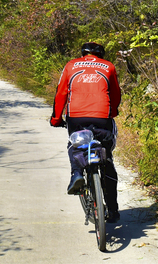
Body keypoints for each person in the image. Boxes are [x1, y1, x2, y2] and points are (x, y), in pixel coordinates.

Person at [49, 41, 121, 223]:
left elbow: (61, 93)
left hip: (76, 117)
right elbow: (115, 94)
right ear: (101, 54)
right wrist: (111, 113)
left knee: (75, 144)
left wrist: (56, 119)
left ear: (83, 54)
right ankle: (112, 209)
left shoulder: (71, 65)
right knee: (107, 158)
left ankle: (77, 174)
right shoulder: (108, 67)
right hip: (101, 117)